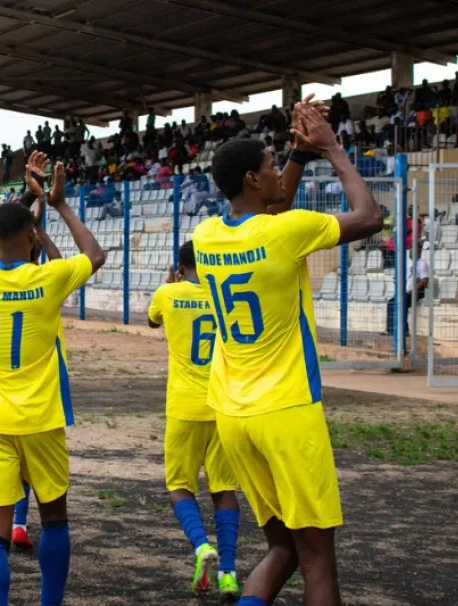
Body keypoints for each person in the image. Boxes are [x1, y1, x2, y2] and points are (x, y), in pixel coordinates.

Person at [192, 100, 383, 606]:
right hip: (288, 409)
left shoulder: (206, 236)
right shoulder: (285, 232)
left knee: (282, 547)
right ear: (253, 180)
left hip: (233, 413)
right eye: (272, 165)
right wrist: (332, 150)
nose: (279, 172)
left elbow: (267, 217)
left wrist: (298, 155)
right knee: (318, 556)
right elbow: (370, 216)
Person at [0, 151, 104, 606]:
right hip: (41, 418)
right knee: (56, 519)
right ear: (32, 235)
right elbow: (94, 254)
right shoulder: (50, 279)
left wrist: (26, 194)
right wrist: (58, 204)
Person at [148, 242, 241, 599]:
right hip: (223, 404)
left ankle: (201, 546)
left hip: (184, 406)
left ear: (181, 266)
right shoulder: (224, 295)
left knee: (179, 485)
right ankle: (229, 573)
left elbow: (152, 320)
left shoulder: (168, 293)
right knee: (224, 489)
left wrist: (171, 286)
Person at [386, 243, 429, 338]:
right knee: (391, 302)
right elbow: (405, 279)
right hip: (406, 291)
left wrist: (412, 290)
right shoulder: (409, 265)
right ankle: (390, 329)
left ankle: (404, 330)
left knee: (402, 302)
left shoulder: (422, 264)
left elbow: (424, 281)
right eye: (410, 250)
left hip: (417, 291)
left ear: (418, 252)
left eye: (412, 251)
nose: (410, 252)